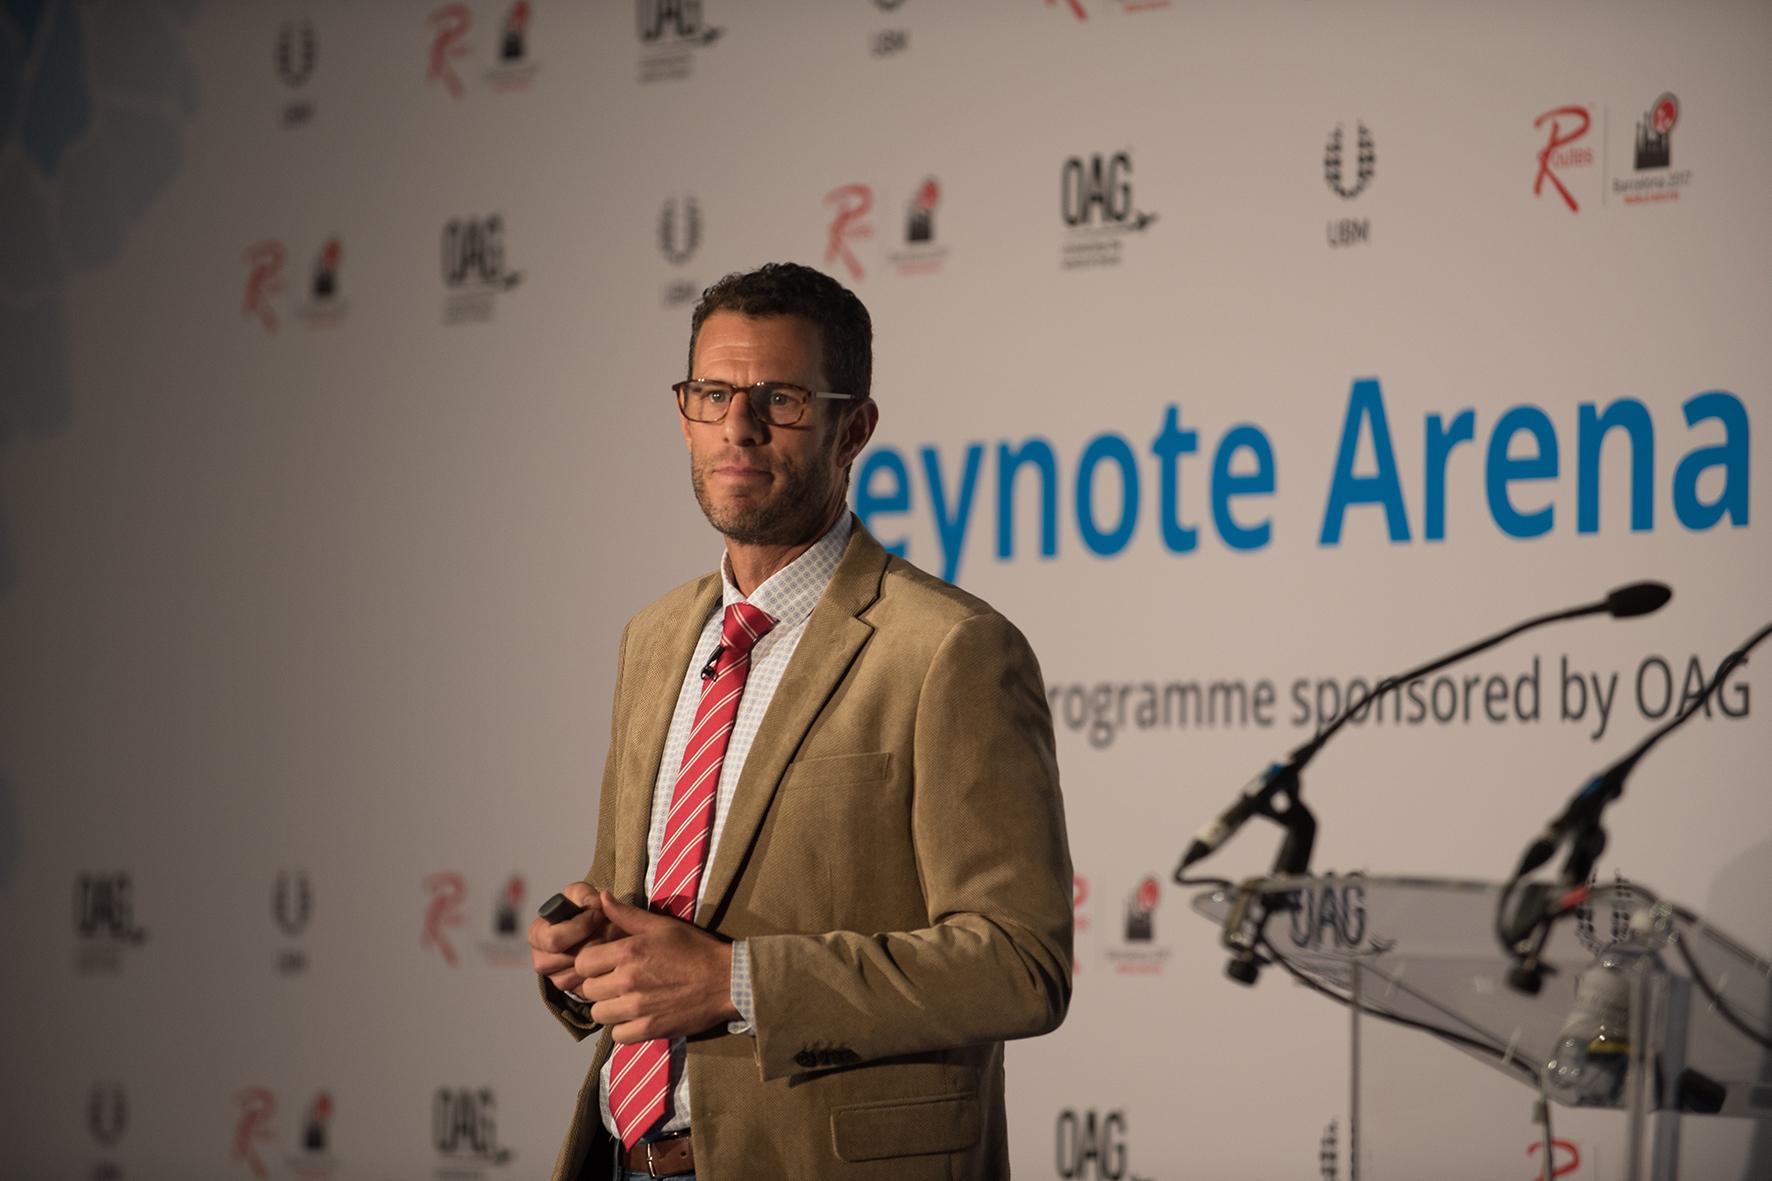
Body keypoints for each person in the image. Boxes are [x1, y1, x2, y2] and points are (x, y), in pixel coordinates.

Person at [528, 262, 1072, 1180]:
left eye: (779, 399)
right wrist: (586, 956)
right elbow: (651, 925)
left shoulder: (950, 649)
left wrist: (731, 980)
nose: (737, 427)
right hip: (624, 1157)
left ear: (852, 428)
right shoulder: (653, 637)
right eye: (713, 394)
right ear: (685, 413)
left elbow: (1021, 963)